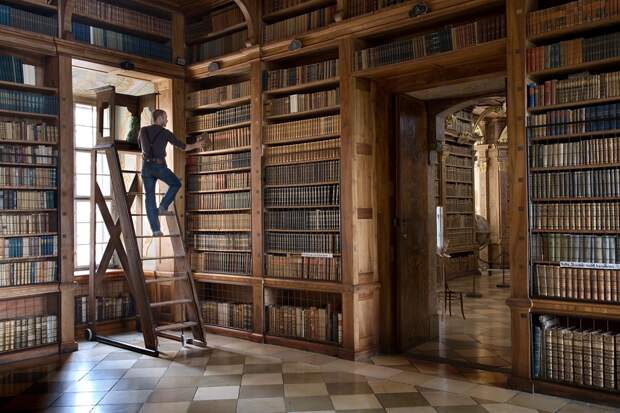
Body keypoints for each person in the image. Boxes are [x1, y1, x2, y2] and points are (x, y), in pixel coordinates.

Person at [138, 109, 203, 236]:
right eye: (165, 117)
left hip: (146, 167)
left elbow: (140, 147)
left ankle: (156, 230)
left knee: (149, 198)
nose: (167, 120)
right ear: (160, 118)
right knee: (176, 183)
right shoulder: (165, 133)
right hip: (159, 166)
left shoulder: (143, 130)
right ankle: (163, 205)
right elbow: (183, 147)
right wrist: (197, 144)